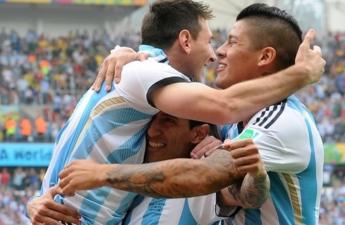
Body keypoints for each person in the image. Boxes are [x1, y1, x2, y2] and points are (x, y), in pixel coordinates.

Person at [37, 0, 324, 224]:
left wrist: (103, 174)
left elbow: (218, 175)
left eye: (231, 42)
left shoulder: (281, 120)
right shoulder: (144, 74)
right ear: (186, 41)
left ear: (265, 56)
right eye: (214, 41)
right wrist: (39, 199)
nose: (217, 53)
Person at [29, 112, 266, 225]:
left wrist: (257, 172)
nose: (152, 131)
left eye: (168, 122)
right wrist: (38, 204)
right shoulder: (129, 177)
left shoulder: (201, 179)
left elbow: (248, 195)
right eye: (152, 120)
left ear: (199, 133)